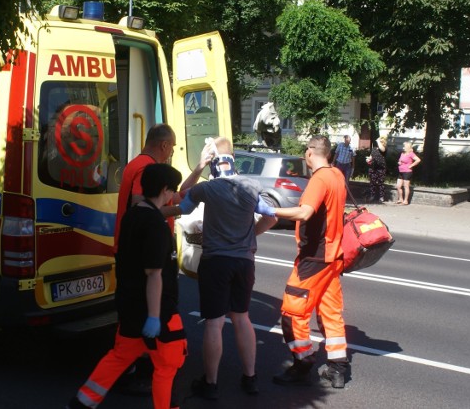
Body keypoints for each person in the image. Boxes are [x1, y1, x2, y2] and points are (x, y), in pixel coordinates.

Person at [67, 164, 186, 409]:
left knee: (119, 357)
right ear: (164, 189)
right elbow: (154, 274)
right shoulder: (156, 226)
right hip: (158, 311)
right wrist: (154, 317)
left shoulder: (132, 215)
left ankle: (81, 404)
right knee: (169, 364)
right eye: (172, 191)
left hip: (129, 305)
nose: (173, 196)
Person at [167, 137, 278, 400]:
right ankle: (250, 378)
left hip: (216, 261)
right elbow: (271, 216)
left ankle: (211, 382)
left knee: (214, 323)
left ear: (212, 162)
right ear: (232, 160)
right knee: (242, 317)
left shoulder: (208, 188)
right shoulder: (251, 186)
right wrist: (251, 236)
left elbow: (181, 200)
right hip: (244, 261)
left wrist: (197, 169)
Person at [112, 124, 209, 395]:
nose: (171, 153)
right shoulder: (146, 168)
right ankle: (142, 370)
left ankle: (131, 364)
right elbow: (144, 207)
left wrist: (198, 169)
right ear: (164, 145)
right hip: (143, 252)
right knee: (147, 309)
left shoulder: (139, 164)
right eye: (173, 147)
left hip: (133, 249)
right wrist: (179, 208)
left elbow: (172, 193)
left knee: (134, 311)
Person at [257, 135, 350, 389]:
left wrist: (268, 210)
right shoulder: (337, 175)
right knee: (330, 312)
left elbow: (305, 212)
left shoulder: (320, 178)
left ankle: (303, 362)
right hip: (333, 255)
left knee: (291, 312)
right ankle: (338, 368)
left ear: (310, 152)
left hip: (314, 257)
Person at [366, 136, 388, 203]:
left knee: (381, 183)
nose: (378, 142)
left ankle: (381, 197)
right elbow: (371, 156)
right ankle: (372, 196)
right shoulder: (374, 148)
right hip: (373, 167)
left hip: (381, 168)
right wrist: (368, 159)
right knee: (372, 182)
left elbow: (382, 149)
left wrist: (378, 141)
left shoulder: (384, 148)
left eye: (380, 141)